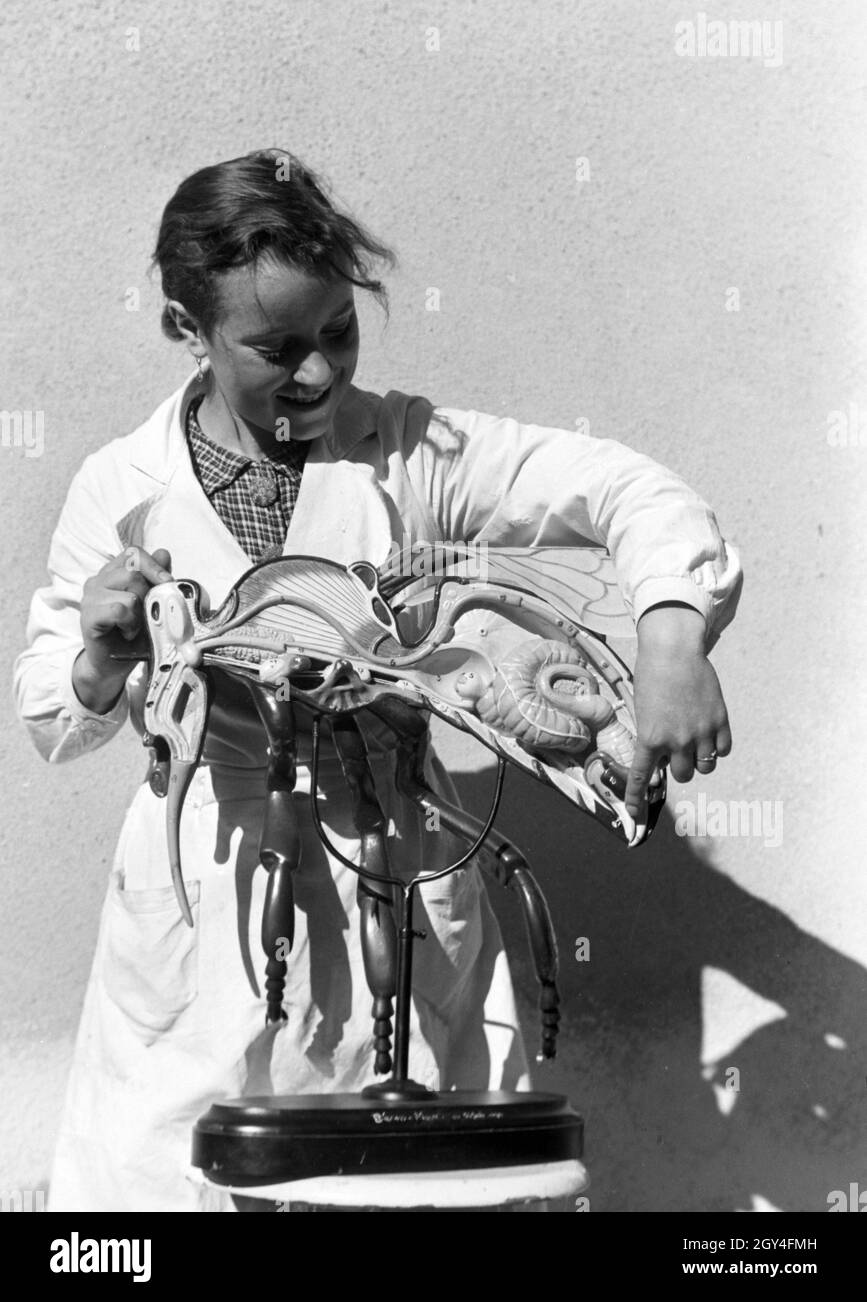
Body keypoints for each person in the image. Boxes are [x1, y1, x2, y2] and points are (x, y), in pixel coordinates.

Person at [13, 148, 742, 1211]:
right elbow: (49, 713)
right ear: (187, 330)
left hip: (397, 884)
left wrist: (673, 639)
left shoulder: (412, 455)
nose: (319, 375)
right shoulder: (123, 487)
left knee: (404, 1190)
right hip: (203, 905)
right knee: (170, 1195)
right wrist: (103, 654)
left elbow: (629, 491)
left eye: (339, 331)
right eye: (276, 347)